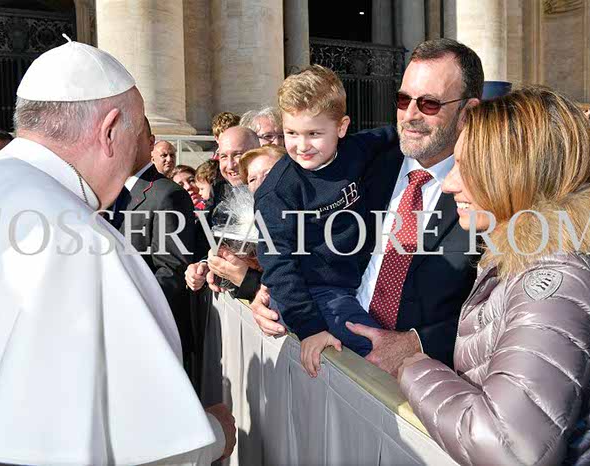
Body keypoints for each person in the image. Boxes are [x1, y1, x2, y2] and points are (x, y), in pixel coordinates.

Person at [0, 39, 234, 465]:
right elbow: (148, 448)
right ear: (109, 131)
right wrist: (217, 435)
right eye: (136, 133)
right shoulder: (85, 241)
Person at [398, 86, 590, 465]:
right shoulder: (536, 254)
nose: (449, 183)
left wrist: (413, 368)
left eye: (467, 166)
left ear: (518, 173)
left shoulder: (555, 277)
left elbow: (509, 448)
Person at [250, 38, 480, 376]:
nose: (410, 116)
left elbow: (504, 318)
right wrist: (273, 296)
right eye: (403, 100)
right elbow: (279, 256)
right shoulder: (374, 162)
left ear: (468, 112)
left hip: (430, 385)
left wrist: (418, 344)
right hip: (327, 341)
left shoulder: (490, 192)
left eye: (429, 103)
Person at [254, 64, 397, 373]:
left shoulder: (357, 149)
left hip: (354, 280)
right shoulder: (277, 192)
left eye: (314, 134)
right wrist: (311, 328)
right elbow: (278, 265)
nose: (301, 145)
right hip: (312, 293)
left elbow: (395, 135)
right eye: (292, 133)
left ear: (341, 128)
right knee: (377, 347)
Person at [112, 117, 199, 377]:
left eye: (132, 137)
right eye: (116, 138)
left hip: (153, 334)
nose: (123, 145)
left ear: (150, 143)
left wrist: (129, 311)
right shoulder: (109, 192)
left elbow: (172, 270)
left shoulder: (167, 194)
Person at [184, 126, 263, 301]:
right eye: (223, 156)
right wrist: (204, 266)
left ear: (256, 153)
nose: (230, 165)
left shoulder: (277, 192)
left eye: (238, 155)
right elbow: (209, 244)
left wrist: (249, 281)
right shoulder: (221, 189)